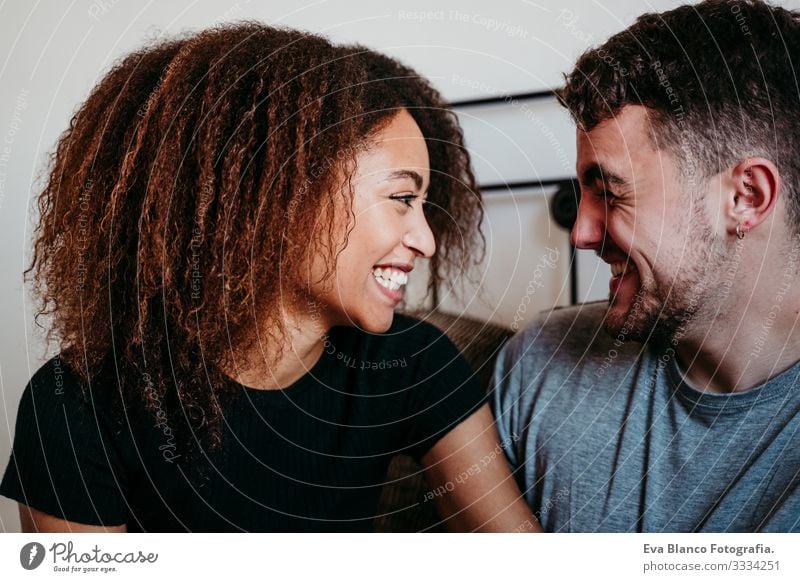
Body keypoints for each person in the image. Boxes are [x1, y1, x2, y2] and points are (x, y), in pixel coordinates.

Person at [1, 23, 537, 532]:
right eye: (401, 198)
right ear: (279, 195)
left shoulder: (410, 364)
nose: (427, 240)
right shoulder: (75, 404)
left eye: (423, 204)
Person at [493, 0, 799, 532]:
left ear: (745, 197)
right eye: (581, 192)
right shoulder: (541, 364)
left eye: (610, 192)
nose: (583, 232)